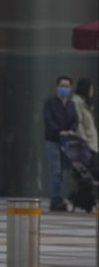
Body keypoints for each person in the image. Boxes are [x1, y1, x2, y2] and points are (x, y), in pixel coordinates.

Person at [43, 76, 79, 211]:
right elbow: (48, 120)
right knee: (56, 171)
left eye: (67, 86)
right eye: (62, 85)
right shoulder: (50, 103)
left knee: (63, 171)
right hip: (53, 141)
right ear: (57, 87)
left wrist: (71, 130)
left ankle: (59, 197)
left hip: (67, 142)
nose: (64, 88)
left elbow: (75, 120)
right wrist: (59, 131)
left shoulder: (71, 104)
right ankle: (55, 199)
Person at [72, 78, 97, 153]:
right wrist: (84, 142)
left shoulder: (85, 102)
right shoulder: (77, 102)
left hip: (92, 144)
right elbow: (78, 124)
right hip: (85, 145)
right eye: (91, 88)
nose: (92, 91)